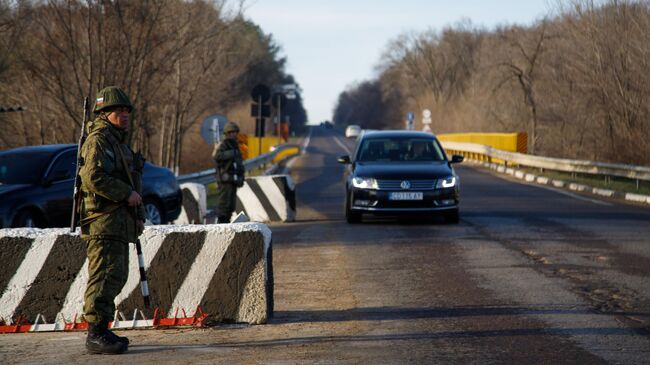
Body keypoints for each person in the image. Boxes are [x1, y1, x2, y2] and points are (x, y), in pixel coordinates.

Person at [79, 86, 146, 354]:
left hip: (119, 221)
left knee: (116, 275)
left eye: (127, 110)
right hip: (103, 221)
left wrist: (137, 217)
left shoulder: (117, 142)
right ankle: (94, 333)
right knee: (103, 275)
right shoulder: (99, 140)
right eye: (119, 110)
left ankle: (103, 328)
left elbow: (133, 183)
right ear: (104, 113)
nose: (125, 114)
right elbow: (92, 177)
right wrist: (125, 194)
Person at [212, 121, 245, 223]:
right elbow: (217, 156)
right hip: (225, 179)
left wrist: (240, 177)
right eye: (232, 132)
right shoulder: (224, 144)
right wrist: (232, 153)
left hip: (232, 179)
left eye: (235, 132)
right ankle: (221, 226)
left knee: (230, 206)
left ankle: (226, 224)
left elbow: (238, 163)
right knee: (224, 206)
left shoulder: (234, 145)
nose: (235, 134)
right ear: (228, 133)